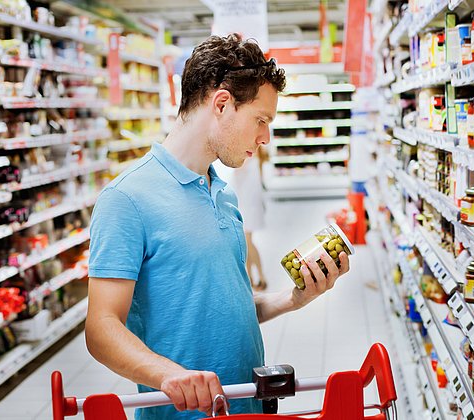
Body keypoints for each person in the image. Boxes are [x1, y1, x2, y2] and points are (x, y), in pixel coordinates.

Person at [84, 34, 350, 420]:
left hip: (249, 404)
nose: (265, 138)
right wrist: (169, 376)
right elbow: (101, 328)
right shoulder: (127, 198)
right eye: (261, 120)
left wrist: (293, 299)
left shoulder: (222, 192)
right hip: (184, 414)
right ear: (223, 104)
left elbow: (226, 305)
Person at [230, 148, 268, 291]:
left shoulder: (248, 157)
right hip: (247, 204)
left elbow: (237, 167)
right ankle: (251, 278)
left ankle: (261, 278)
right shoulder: (254, 156)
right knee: (246, 242)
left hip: (248, 205)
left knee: (247, 242)